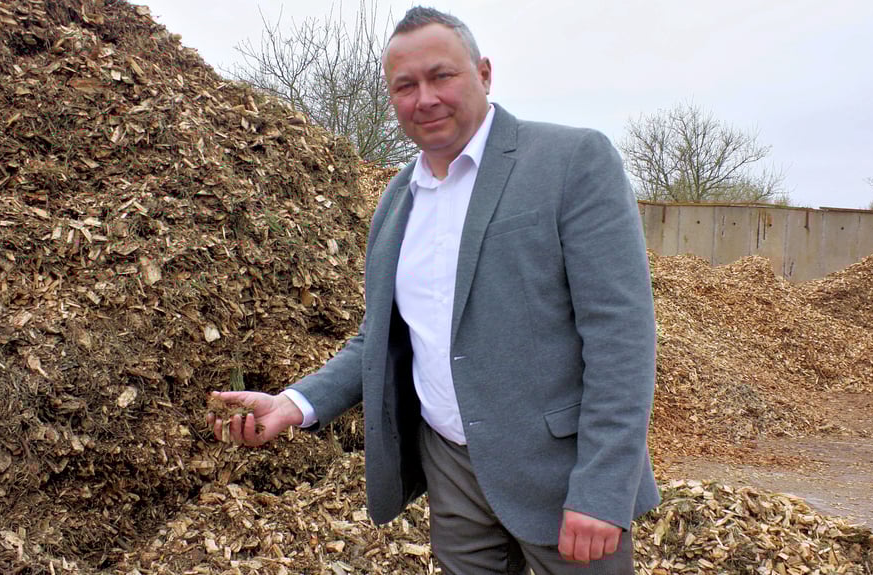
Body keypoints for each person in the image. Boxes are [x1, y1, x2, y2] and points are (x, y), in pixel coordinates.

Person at [207, 7, 659, 574]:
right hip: (451, 470)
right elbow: (381, 337)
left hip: (559, 472)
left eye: (442, 76)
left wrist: (601, 488)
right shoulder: (398, 199)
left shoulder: (571, 162)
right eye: (406, 86)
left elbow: (621, 336)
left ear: (484, 74)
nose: (425, 98)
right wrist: (292, 405)